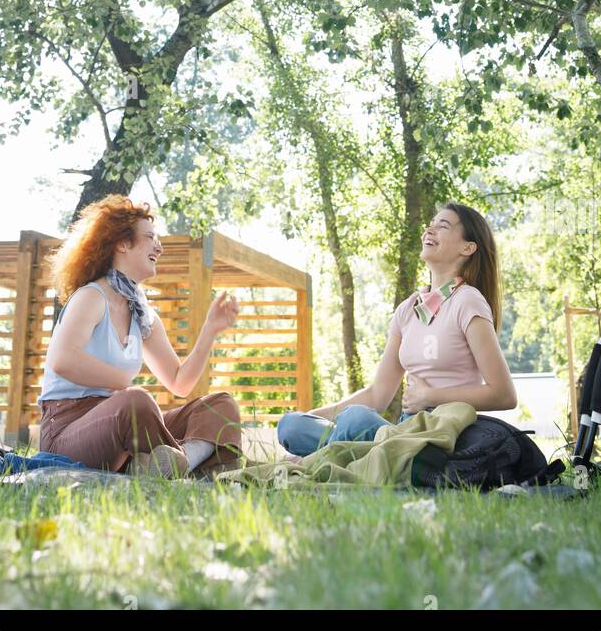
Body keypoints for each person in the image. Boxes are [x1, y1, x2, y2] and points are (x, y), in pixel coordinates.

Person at [277, 202, 517, 457]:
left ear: (467, 247)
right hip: (400, 433)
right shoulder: (408, 309)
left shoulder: (468, 301)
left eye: (443, 225)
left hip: (441, 435)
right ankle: (364, 458)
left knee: (355, 421)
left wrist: (430, 396)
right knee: (292, 425)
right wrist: (311, 417)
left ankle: (350, 457)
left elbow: (503, 394)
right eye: (430, 225)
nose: (429, 230)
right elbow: (378, 394)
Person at [38, 195, 243, 477]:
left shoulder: (142, 314)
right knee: (136, 402)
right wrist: (122, 383)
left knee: (220, 406)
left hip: (121, 424)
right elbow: (62, 360)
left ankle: (174, 463)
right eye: (150, 238)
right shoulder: (91, 297)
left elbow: (180, 383)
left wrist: (210, 329)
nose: (159, 247)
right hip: (66, 430)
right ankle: (186, 464)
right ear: (122, 243)